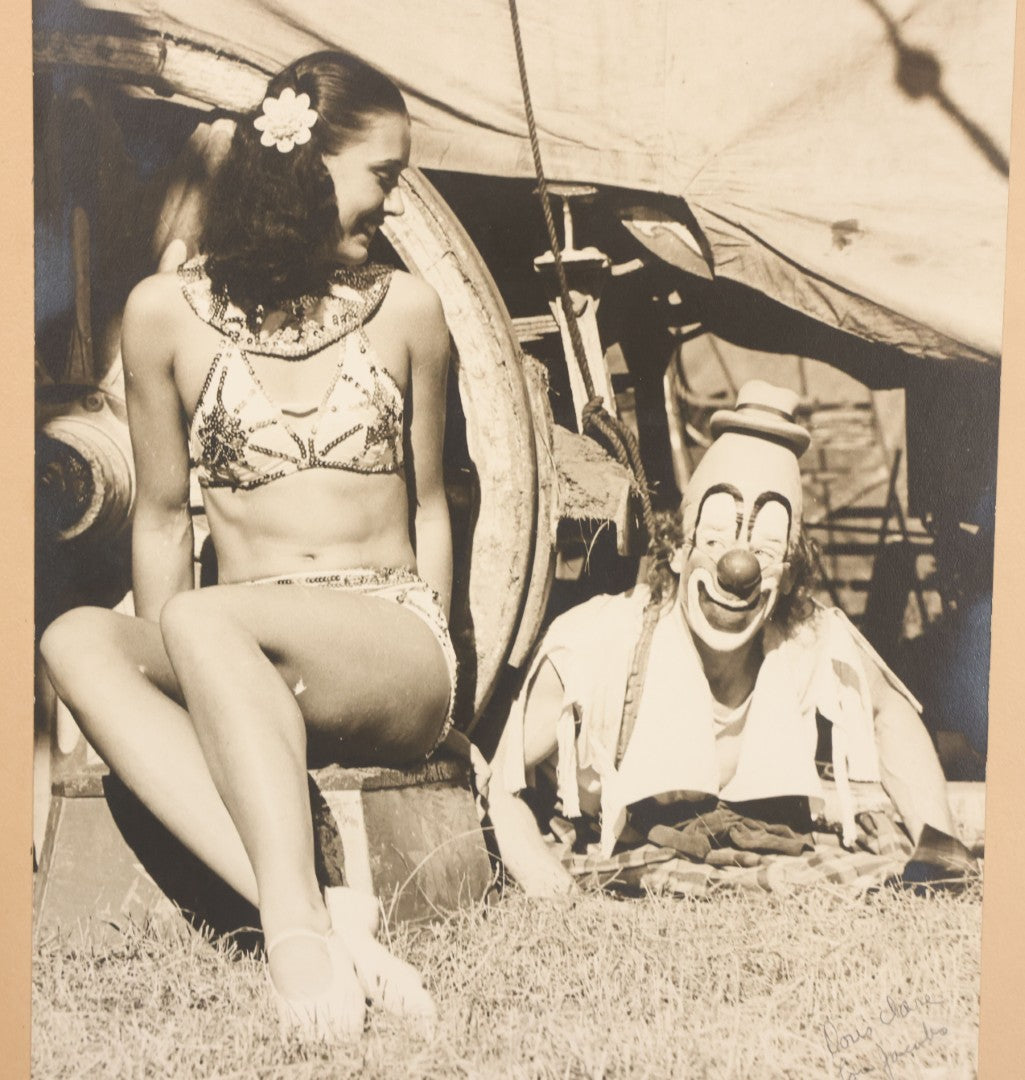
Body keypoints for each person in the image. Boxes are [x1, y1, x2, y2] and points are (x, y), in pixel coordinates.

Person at [40, 51, 452, 1040]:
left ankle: (296, 937)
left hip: (386, 645)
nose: (389, 207)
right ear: (307, 167)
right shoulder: (159, 315)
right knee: (75, 640)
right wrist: (165, 672)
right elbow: (157, 517)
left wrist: (450, 683)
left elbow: (432, 505)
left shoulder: (407, 310)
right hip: (233, 651)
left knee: (202, 615)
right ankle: (319, 910)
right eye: (381, 177)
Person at [489, 380, 973, 897]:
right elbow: (503, 780)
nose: (736, 569)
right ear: (678, 550)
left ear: (786, 576)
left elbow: (887, 713)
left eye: (765, 550)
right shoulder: (601, 645)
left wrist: (939, 848)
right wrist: (556, 892)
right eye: (715, 537)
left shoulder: (809, 641)